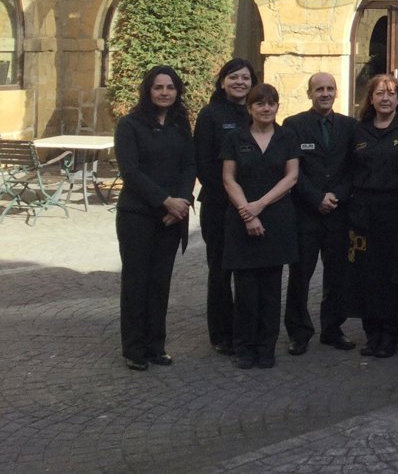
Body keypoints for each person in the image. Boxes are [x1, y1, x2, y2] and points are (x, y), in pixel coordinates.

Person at [113, 65, 195, 371]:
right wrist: (165, 201)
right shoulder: (129, 125)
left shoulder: (180, 124)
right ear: (148, 91)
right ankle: (134, 348)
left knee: (160, 283)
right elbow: (131, 171)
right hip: (138, 215)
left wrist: (181, 203)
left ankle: (156, 345)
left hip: (172, 217)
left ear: (177, 91)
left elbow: (189, 165)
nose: (165, 92)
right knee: (137, 282)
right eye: (159, 87)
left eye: (170, 87)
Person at [220, 83, 300, 369]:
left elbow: (291, 177)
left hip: (277, 220)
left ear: (277, 106)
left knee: (270, 289)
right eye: (260, 104)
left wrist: (260, 205)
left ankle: (267, 348)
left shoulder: (287, 137)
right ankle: (244, 348)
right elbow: (228, 179)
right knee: (245, 291)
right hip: (242, 221)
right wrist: (248, 213)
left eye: (271, 103)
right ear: (250, 108)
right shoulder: (235, 138)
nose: (266, 109)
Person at [281, 72, 357, 355]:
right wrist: (316, 198)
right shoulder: (294, 125)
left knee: (338, 276)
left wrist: (337, 195)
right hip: (306, 213)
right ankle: (298, 332)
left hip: (338, 213)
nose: (325, 93)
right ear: (309, 93)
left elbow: (353, 167)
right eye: (319, 89)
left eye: (329, 88)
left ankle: (332, 329)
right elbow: (292, 170)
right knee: (300, 275)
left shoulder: (350, 126)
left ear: (336, 92)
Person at [346, 73, 398, 358]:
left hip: (396, 211)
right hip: (363, 211)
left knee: (393, 274)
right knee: (366, 274)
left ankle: (390, 334)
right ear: (371, 99)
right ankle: (372, 333)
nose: (385, 98)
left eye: (391, 93)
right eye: (379, 93)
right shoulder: (358, 130)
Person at [194, 57, 258, 355]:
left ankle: (246, 329)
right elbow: (203, 163)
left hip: (252, 207)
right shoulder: (210, 115)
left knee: (248, 270)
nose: (240, 82)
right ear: (222, 82)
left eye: (245, 77)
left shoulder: (257, 113)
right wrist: (233, 197)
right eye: (234, 77)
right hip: (219, 206)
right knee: (220, 271)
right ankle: (221, 334)